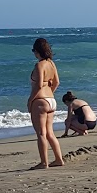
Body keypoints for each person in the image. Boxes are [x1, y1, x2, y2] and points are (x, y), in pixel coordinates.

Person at [28, 38, 66, 169]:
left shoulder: (39, 65)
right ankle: (58, 159)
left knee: (41, 134)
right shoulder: (51, 64)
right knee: (50, 133)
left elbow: (38, 86)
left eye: (34, 51)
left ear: (37, 51)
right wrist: (50, 92)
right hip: (51, 100)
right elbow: (57, 82)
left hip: (40, 101)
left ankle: (44, 162)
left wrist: (30, 100)